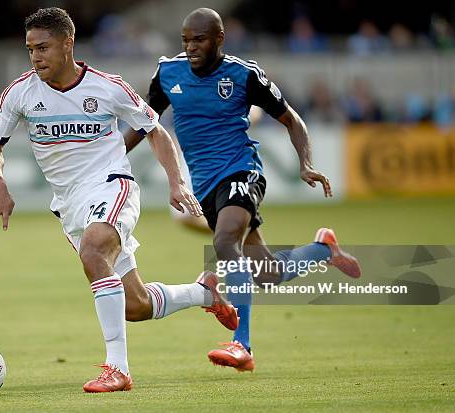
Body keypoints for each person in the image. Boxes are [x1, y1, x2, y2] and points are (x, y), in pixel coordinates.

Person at [0, 7, 239, 393]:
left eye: (43, 48)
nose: (35, 57)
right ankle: (204, 292)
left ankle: (117, 368)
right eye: (30, 49)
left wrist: (176, 182)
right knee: (134, 305)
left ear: (68, 44)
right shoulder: (21, 92)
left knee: (93, 250)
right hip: (69, 204)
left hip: (111, 185)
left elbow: (153, 129)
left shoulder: (106, 86)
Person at [125, 8, 361, 373]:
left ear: (219, 39)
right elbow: (144, 124)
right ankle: (322, 249)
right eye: (185, 40)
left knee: (224, 243)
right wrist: (109, 158)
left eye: (199, 40)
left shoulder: (244, 75)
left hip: (242, 169)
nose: (190, 47)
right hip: (205, 186)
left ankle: (243, 345)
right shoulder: (167, 72)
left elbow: (291, 120)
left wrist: (305, 163)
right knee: (267, 273)